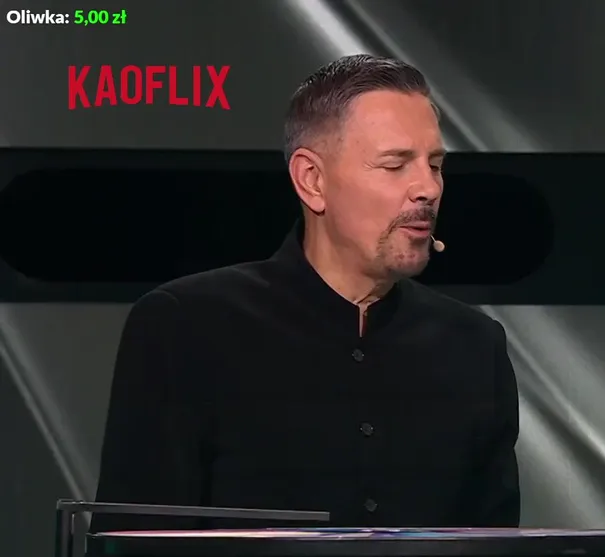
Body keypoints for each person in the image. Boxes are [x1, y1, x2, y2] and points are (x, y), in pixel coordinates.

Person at [93, 55, 520, 530]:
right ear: (312, 180)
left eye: (435, 165)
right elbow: (132, 552)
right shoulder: (186, 327)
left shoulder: (475, 347)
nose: (428, 188)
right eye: (396, 164)